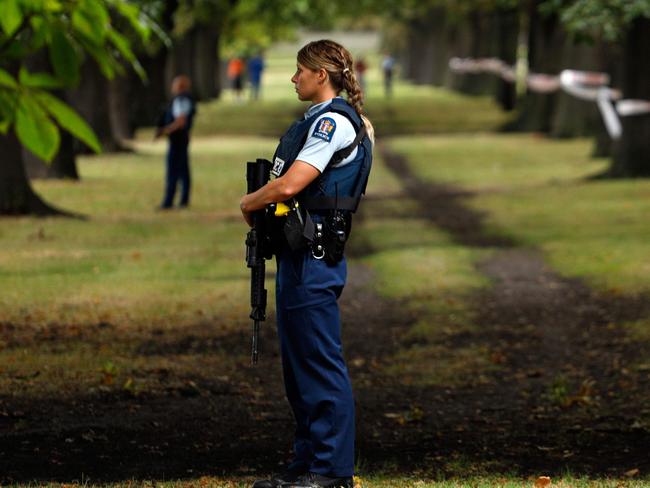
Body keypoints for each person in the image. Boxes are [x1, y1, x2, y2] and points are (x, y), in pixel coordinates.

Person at [240, 40, 374, 488]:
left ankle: (332, 471)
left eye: (300, 70)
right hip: (300, 254)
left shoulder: (332, 122)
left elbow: (292, 184)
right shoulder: (324, 119)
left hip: (314, 258)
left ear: (322, 74)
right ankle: (307, 463)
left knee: (318, 363)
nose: (294, 78)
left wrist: (249, 201)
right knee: (299, 368)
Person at [155, 75, 196, 209]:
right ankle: (183, 200)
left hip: (177, 140)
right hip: (182, 139)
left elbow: (181, 120)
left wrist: (166, 130)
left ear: (179, 86)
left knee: (173, 171)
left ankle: (168, 202)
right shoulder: (186, 99)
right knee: (183, 170)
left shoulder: (181, 100)